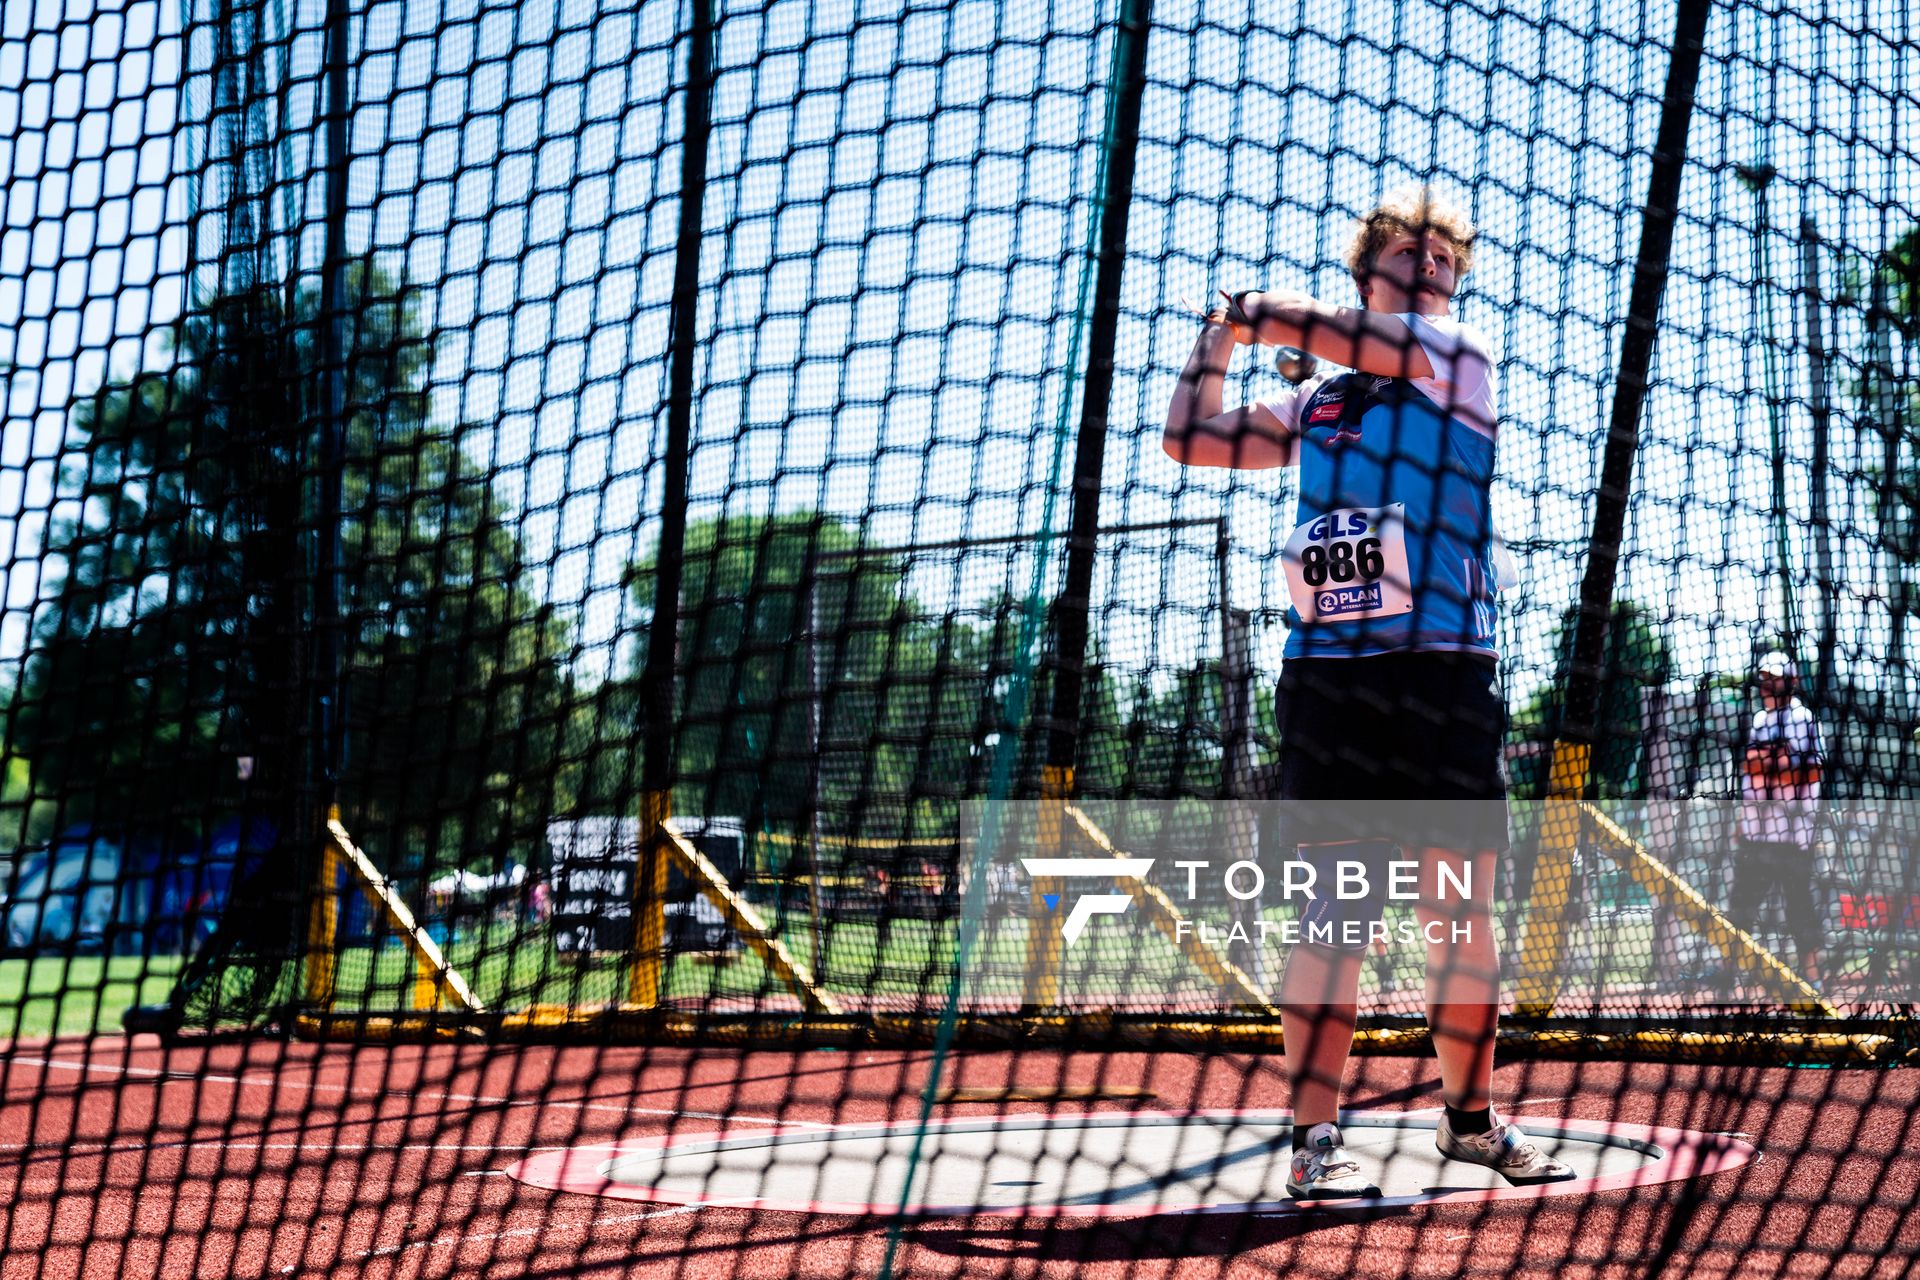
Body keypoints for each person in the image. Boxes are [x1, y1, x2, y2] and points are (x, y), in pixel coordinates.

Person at [1163, 186, 1572, 1199]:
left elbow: (1357, 337)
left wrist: (1261, 314)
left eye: (1444, 259)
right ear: (1366, 270)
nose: (1432, 268)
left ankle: (1470, 1122)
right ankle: (1313, 1137)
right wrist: (1218, 334)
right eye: (1409, 255)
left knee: (1456, 911)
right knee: (1332, 919)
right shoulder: (1318, 403)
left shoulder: (1455, 358)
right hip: (1331, 681)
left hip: (1440, 670)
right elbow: (1189, 435)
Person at [1729, 649, 1825, 985]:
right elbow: (1752, 773)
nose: (1767, 685)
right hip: (1757, 832)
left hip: (1793, 832)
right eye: (1764, 679)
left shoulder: (1803, 719)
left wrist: (1766, 764)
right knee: (1741, 904)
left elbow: (1805, 772)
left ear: (1792, 682)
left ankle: (1812, 976)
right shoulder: (1759, 721)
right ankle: (1732, 972)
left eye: (1775, 679)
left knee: (1799, 905)